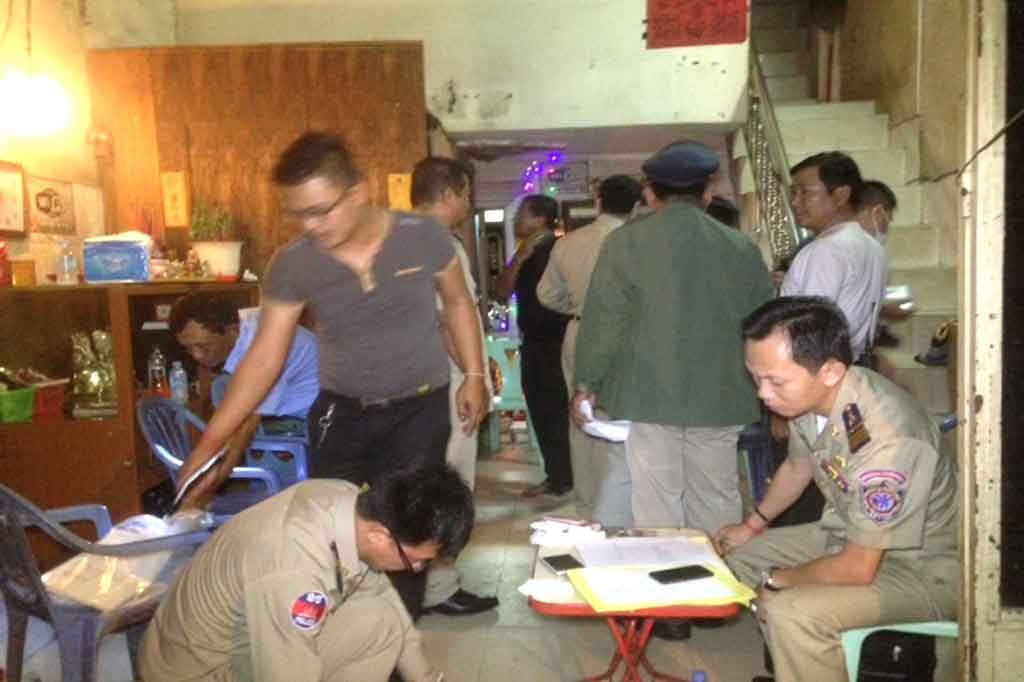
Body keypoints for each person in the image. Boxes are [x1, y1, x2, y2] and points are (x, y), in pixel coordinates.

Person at [175, 131, 488, 621]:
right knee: (330, 535)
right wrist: (210, 443)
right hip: (342, 413)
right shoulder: (293, 263)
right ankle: (334, 636)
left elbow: (457, 304)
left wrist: (474, 374)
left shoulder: (422, 237)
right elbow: (266, 354)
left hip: (419, 411)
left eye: (321, 210)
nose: (310, 225)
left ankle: (395, 645)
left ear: (358, 191)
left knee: (406, 536)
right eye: (298, 214)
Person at [715, 296, 958, 682]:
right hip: (851, 535)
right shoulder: (815, 399)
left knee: (790, 610)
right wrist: (751, 527)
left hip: (923, 567)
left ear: (829, 371)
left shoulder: (888, 440)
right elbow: (797, 467)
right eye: (756, 378)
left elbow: (857, 569)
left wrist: (777, 579)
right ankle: (801, 663)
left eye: (775, 381)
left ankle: (804, 652)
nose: (763, 394)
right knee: (735, 559)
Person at [572, 140, 774, 536]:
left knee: (656, 502)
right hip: (721, 396)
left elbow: (605, 321)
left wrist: (586, 384)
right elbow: (763, 323)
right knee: (716, 498)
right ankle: (717, 570)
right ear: (708, 192)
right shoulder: (741, 248)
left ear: (650, 193)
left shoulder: (625, 243)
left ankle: (667, 571)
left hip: (649, 397)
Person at [140, 464, 473, 682]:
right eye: (415, 561)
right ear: (380, 536)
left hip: (233, 643)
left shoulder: (350, 503)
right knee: (374, 628)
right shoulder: (292, 568)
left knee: (381, 620)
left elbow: (384, 597)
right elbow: (287, 673)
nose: (417, 570)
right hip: (195, 672)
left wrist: (426, 678)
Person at [410, 156, 499, 616]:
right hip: (448, 383)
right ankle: (439, 588)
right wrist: (474, 377)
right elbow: (447, 319)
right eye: (465, 194)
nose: (468, 204)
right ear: (447, 194)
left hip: (420, 381)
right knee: (450, 484)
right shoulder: (441, 246)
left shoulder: (399, 239)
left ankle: (423, 582)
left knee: (426, 482)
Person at [536, 174, 642, 526]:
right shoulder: (640, 241)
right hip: (631, 333)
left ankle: (586, 504)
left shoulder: (569, 243)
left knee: (581, 417)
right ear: (637, 205)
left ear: (598, 202)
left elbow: (546, 295)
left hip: (580, 330)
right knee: (627, 415)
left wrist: (578, 307)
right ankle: (628, 500)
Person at [168, 293, 320, 505]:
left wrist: (199, 497)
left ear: (233, 330)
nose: (197, 356)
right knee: (221, 390)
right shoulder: (239, 322)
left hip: (310, 424)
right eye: (188, 348)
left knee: (231, 433)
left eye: (204, 346)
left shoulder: (265, 346)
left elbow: (242, 432)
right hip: (286, 408)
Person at [496, 194, 573, 498]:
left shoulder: (560, 250)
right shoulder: (524, 253)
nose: (517, 220)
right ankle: (556, 476)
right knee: (540, 411)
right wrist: (519, 258)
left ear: (541, 219)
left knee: (557, 411)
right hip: (532, 343)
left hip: (558, 342)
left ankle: (566, 477)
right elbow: (502, 290)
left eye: (523, 215)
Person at [782, 152, 887, 364]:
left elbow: (809, 334)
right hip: (851, 366)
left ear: (840, 195)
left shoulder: (825, 250)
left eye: (805, 192)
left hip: (815, 370)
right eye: (794, 192)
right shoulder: (872, 246)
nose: (795, 202)